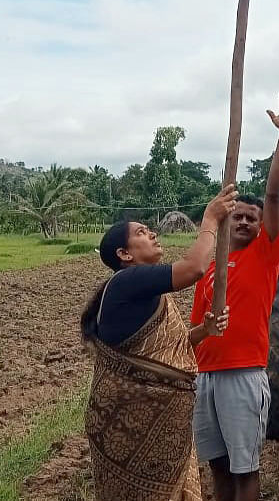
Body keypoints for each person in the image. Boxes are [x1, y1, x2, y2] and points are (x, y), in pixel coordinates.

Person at [81, 184, 237, 501]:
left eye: (150, 230)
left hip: (146, 420)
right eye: (141, 232)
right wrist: (209, 220)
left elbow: (167, 353)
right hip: (130, 421)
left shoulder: (146, 291)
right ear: (124, 255)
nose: (152, 234)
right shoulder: (128, 280)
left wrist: (203, 330)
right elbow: (194, 268)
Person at [191, 89, 279, 501]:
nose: (248, 222)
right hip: (205, 376)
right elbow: (195, 327)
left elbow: (273, 193)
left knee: (244, 469)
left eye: (253, 218)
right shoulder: (208, 266)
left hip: (243, 374)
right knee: (217, 468)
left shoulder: (265, 255)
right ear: (227, 218)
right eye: (240, 215)